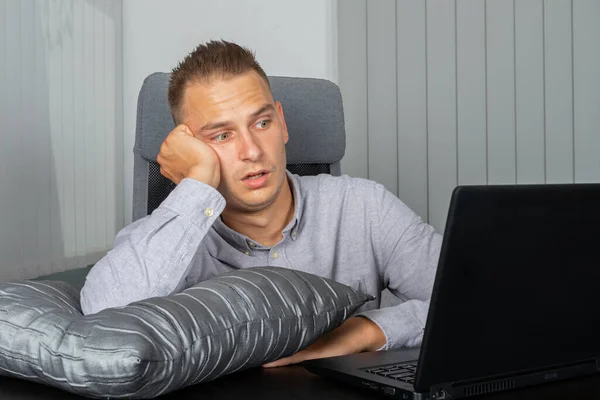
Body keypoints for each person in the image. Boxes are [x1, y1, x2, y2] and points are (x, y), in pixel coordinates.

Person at [80, 40, 442, 368]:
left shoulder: (365, 207)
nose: (252, 151)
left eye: (262, 122)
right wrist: (197, 183)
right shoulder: (170, 239)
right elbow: (102, 323)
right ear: (188, 148)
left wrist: (363, 333)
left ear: (282, 123)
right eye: (222, 135)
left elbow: (478, 299)